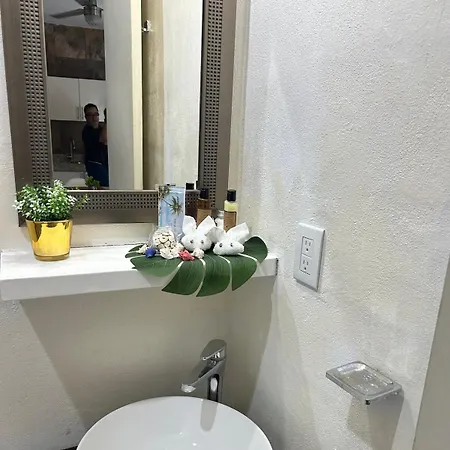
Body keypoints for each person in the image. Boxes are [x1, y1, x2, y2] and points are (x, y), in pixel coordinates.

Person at [82, 103, 109, 187]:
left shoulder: (100, 129)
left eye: (96, 114)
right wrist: (108, 120)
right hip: (94, 165)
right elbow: (103, 139)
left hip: (103, 164)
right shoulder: (87, 131)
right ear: (86, 117)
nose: (94, 118)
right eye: (90, 115)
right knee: (105, 187)